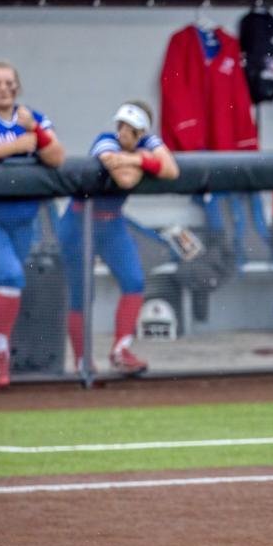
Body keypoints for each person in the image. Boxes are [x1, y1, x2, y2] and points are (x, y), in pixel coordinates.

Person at [0, 60, 65, 390]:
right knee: (9, 276)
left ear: (17, 86)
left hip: (21, 219)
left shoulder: (31, 118)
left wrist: (36, 131)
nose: (3, 88)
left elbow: (56, 157)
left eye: (8, 82)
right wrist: (16, 146)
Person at [58, 101, 179, 375]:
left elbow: (172, 170)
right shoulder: (106, 140)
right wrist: (144, 162)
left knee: (134, 281)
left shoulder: (147, 142)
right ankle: (82, 361)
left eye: (131, 128)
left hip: (111, 223)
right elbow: (124, 178)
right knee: (81, 294)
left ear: (141, 132)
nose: (123, 131)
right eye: (121, 125)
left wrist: (136, 159)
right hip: (79, 223)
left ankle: (120, 351)